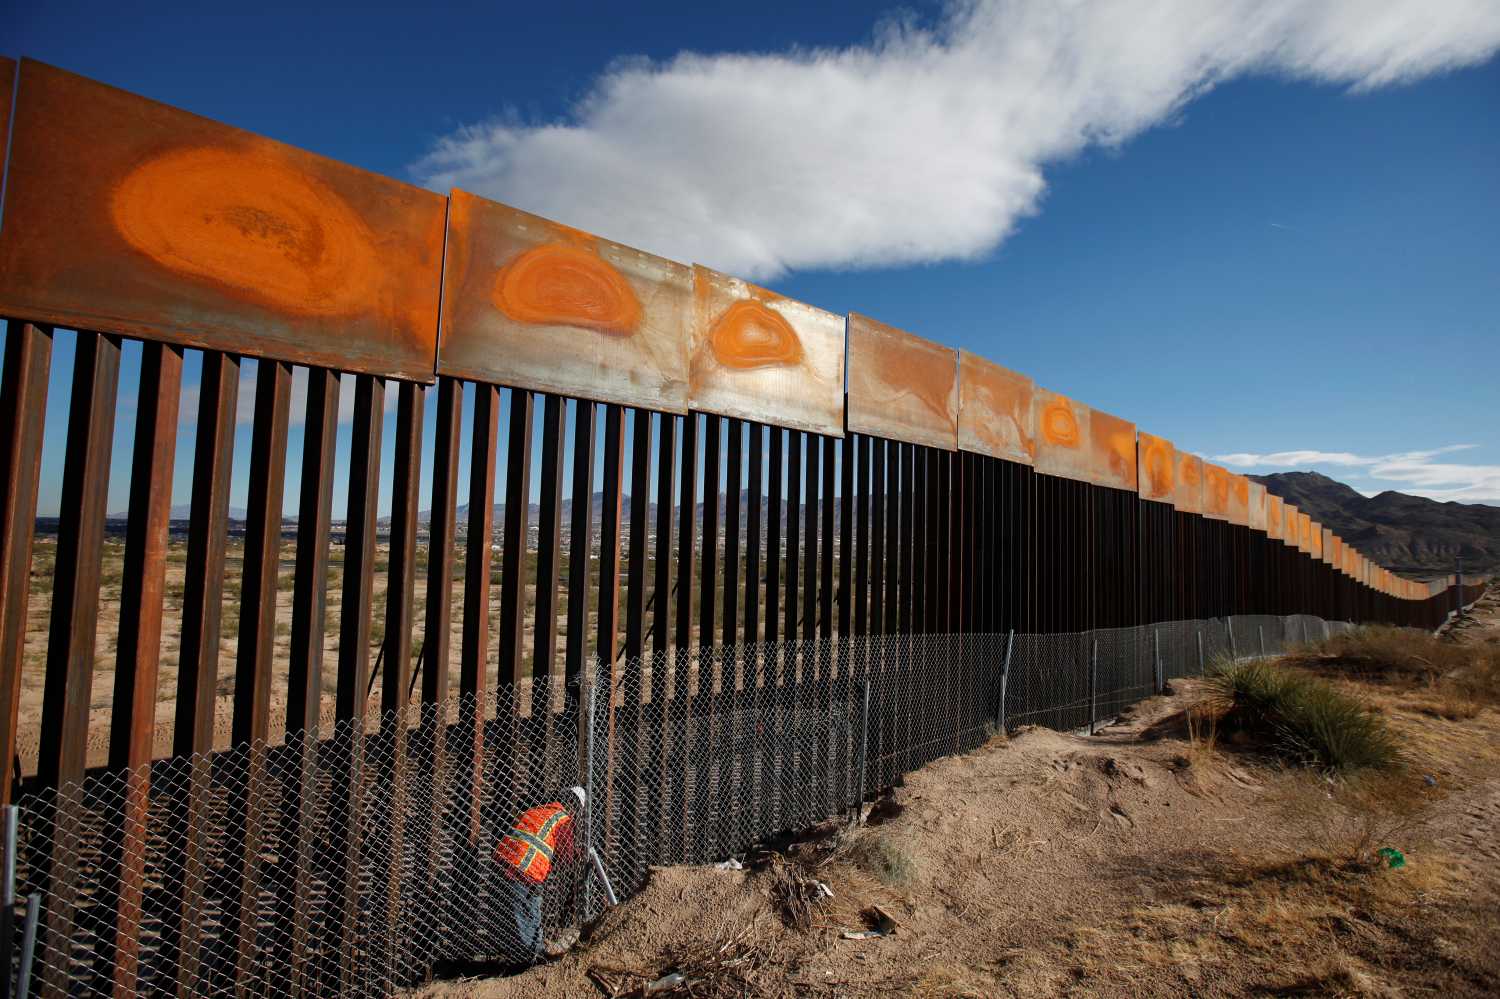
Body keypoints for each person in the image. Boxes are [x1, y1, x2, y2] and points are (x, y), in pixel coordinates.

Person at [493, 785, 586, 964]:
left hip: (504, 859)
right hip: (526, 868)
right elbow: (566, 854)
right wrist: (578, 854)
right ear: (574, 807)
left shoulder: (539, 810)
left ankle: (520, 953)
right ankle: (532, 957)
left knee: (514, 911)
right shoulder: (562, 819)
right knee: (529, 910)